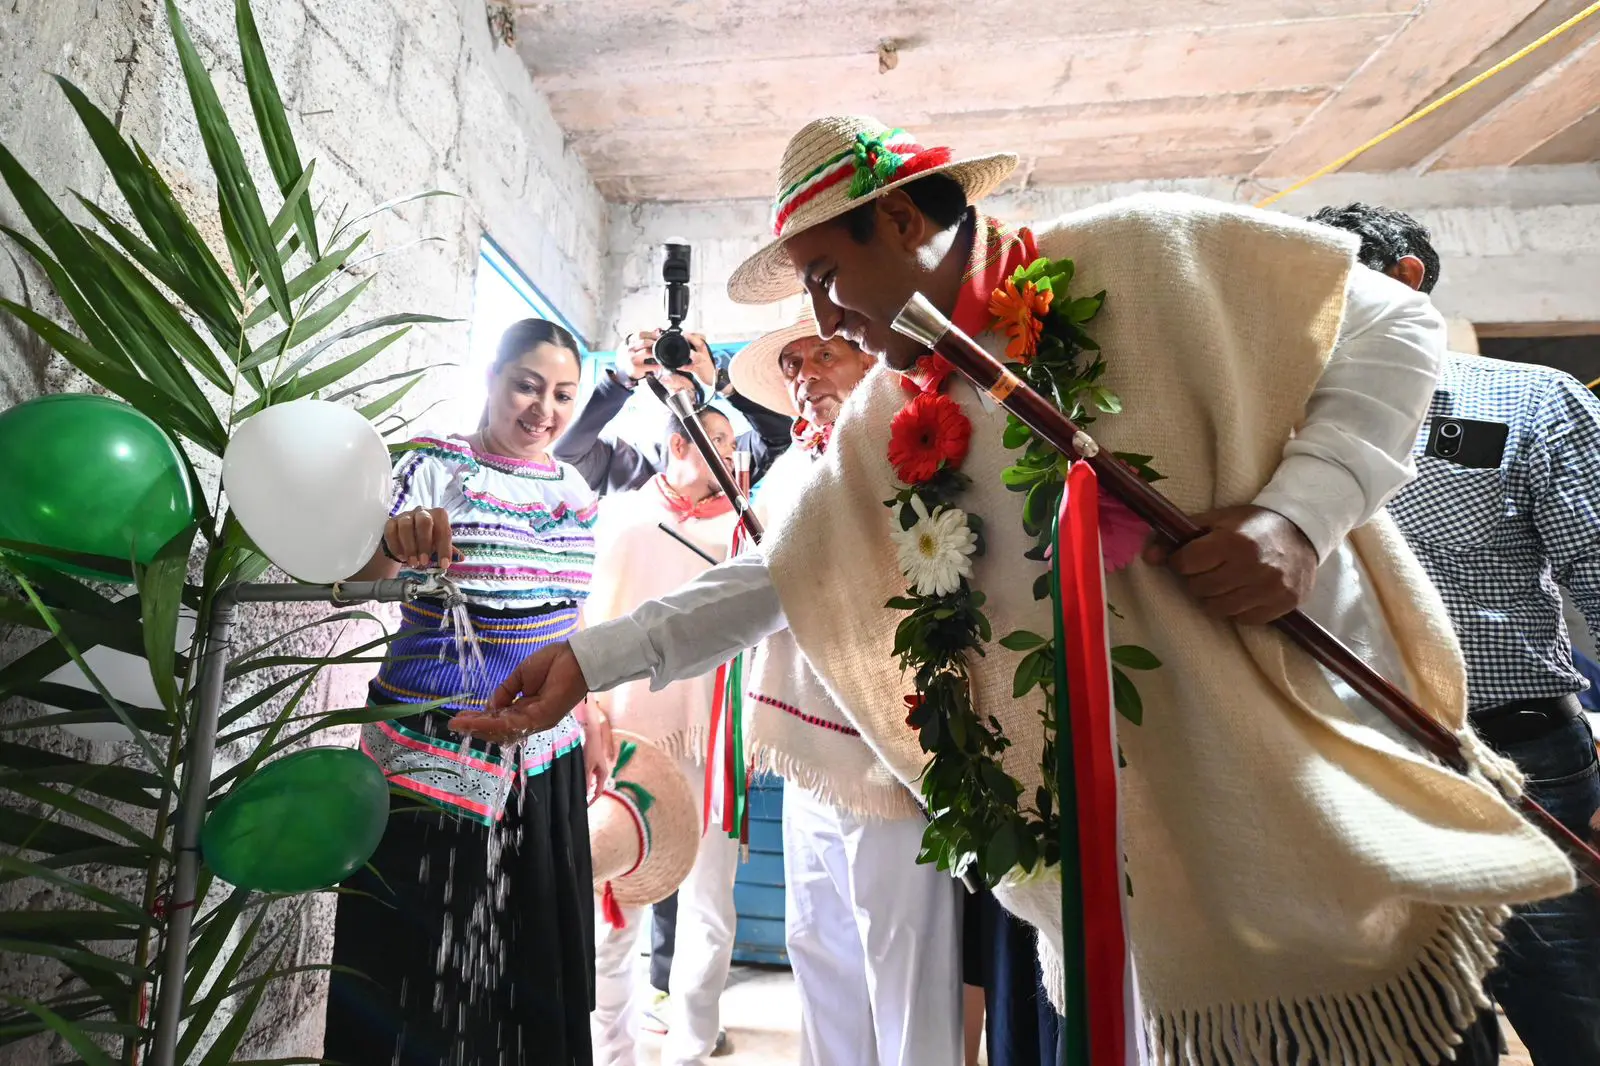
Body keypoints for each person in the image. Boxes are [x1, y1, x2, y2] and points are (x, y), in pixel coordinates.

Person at [455, 118, 1575, 1066]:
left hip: (1312, 746)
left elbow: (1388, 322)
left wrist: (1297, 515)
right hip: (1150, 816)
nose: (825, 315)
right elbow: (778, 570)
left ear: (899, 220)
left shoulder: (1132, 252)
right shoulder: (888, 420)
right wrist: (594, 659)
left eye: (828, 275)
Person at [1312, 201, 1600, 1066]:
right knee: (1418, 1042)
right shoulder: (1293, 426)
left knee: (1578, 1027)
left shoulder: (1529, 401)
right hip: (1361, 774)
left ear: (1406, 278)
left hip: (1525, 775)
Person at [324, 319, 610, 1066]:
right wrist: (393, 543)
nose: (542, 410)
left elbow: (572, 622)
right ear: (491, 377)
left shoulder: (575, 491)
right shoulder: (433, 467)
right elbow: (347, 586)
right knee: (411, 983)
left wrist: (595, 712)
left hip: (542, 766)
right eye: (526, 384)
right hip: (430, 758)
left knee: (528, 980)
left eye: (562, 395)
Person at [729, 310, 966, 1065]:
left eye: (821, 356)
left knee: (904, 962)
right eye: (793, 366)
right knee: (817, 945)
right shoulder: (792, 466)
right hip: (810, 748)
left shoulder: (908, 446)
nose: (804, 379)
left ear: (867, 361)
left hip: (892, 749)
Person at [586, 407, 741, 1066]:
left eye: (736, 445)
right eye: (723, 441)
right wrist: (591, 715)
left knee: (710, 907)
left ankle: (693, 1045)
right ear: (682, 441)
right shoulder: (626, 520)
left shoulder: (744, 531)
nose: (736, 456)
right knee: (614, 910)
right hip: (629, 745)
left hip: (710, 740)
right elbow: (590, 622)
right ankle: (609, 1050)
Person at [555, 328, 792, 494]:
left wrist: (721, 382)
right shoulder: (614, 460)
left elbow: (780, 436)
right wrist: (621, 379)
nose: (676, 402)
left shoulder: (724, 457)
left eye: (686, 396)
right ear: (641, 404)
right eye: (665, 393)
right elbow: (565, 455)